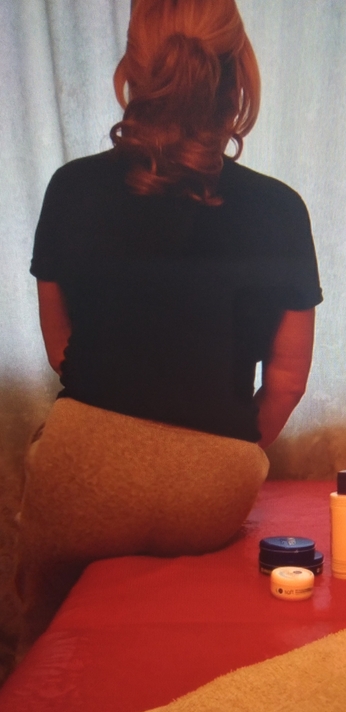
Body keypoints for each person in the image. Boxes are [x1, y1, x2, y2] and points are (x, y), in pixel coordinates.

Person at [17, 0, 322, 643]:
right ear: (237, 72)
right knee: (192, 641)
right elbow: (288, 380)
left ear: (133, 69)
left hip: (84, 467)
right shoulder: (280, 209)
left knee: (55, 646)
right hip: (213, 489)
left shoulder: (72, 187)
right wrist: (216, 453)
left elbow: (59, 341)